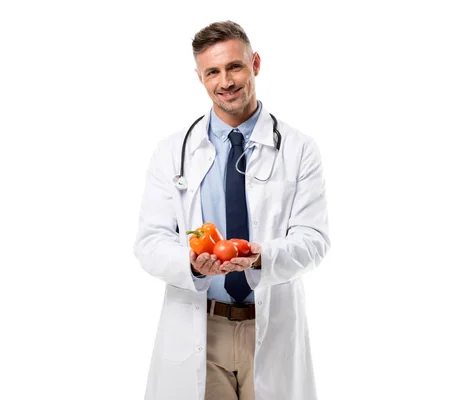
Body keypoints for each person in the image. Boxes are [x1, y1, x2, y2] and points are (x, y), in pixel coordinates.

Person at [133, 20, 330, 400]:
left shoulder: (299, 149)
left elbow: (314, 240)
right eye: (213, 72)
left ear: (255, 63)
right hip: (200, 329)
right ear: (200, 77)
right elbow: (150, 241)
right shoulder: (172, 151)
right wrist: (191, 264)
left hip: (269, 328)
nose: (226, 81)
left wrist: (262, 257)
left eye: (234, 67)